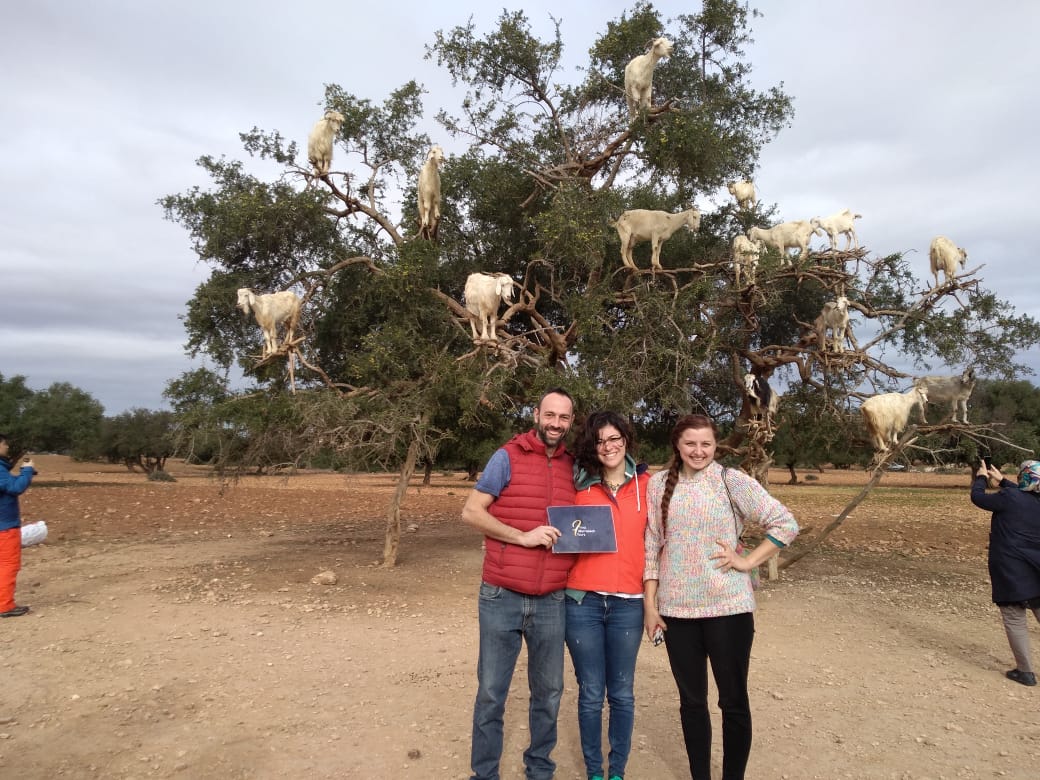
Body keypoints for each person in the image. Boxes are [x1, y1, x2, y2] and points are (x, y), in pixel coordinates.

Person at [643, 414, 798, 780]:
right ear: (677, 446)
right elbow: (651, 544)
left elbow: (785, 523)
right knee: (692, 703)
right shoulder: (657, 485)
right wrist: (650, 605)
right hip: (676, 613)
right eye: (691, 444)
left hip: (728, 611)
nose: (699, 451)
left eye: (706, 444)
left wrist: (747, 561)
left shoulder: (732, 481)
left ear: (716, 446)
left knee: (732, 702)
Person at [461, 388, 578, 780]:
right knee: (492, 693)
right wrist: (523, 536)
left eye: (563, 418)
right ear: (536, 414)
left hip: (552, 600)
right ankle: (485, 774)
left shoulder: (573, 466)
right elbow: (472, 512)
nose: (555, 424)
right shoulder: (506, 457)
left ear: (571, 422)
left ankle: (539, 770)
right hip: (501, 595)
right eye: (550, 415)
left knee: (548, 695)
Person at [565, 411, 650, 780]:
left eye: (614, 438)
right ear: (592, 446)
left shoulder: (650, 484)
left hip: (629, 605)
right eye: (600, 441)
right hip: (582, 602)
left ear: (626, 440)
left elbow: (665, 538)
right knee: (590, 693)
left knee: (622, 693)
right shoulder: (577, 485)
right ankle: (594, 772)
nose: (608, 446)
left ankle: (617, 771)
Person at [970, 458, 1040, 687]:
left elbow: (977, 498)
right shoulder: (1029, 500)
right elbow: (1024, 496)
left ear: (1023, 477)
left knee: (1014, 617)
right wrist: (1003, 481)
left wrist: (981, 477)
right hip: (1036, 567)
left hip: (1010, 568)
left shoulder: (1010, 498)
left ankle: (1025, 672)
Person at [0, 434, 35, 618]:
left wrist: (25, 472)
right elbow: (15, 488)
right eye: (5, 443)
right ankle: (5, 606)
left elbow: (9, 484)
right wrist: (27, 472)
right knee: (8, 565)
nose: (7, 447)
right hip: (5, 528)